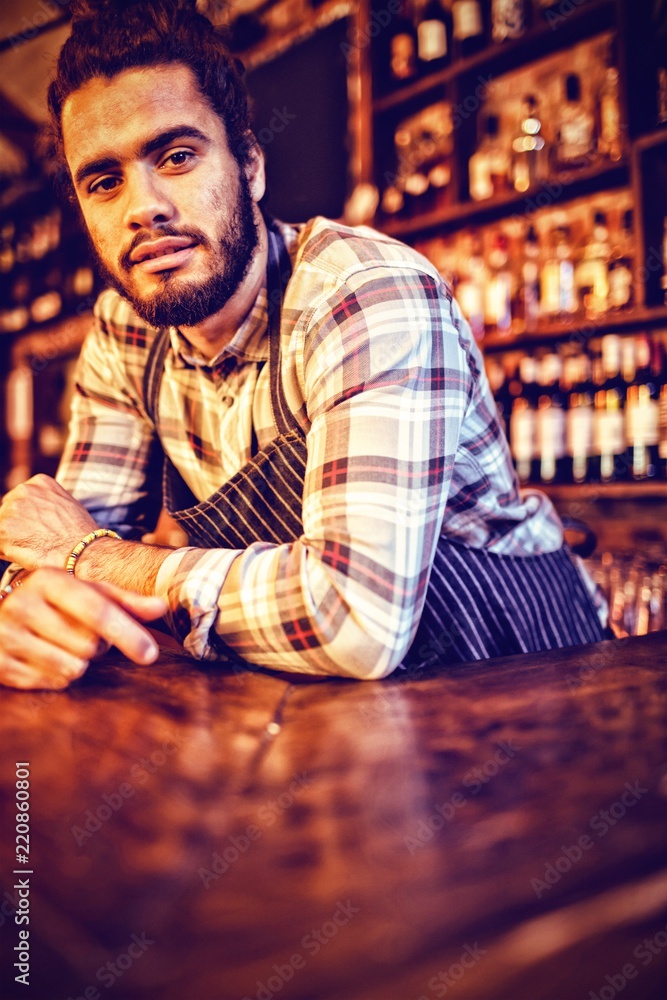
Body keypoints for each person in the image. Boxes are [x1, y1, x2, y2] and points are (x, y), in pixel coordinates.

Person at [0, 0, 607, 691]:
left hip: (534, 691)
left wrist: (94, 559)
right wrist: (24, 601)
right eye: (104, 181)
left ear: (250, 165)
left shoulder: (361, 293)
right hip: (347, 726)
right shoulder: (125, 333)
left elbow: (354, 618)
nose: (142, 207)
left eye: (175, 156)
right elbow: (64, 560)